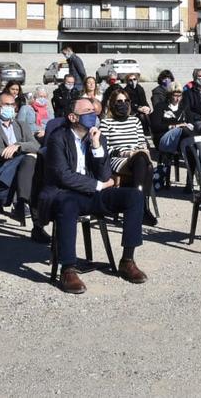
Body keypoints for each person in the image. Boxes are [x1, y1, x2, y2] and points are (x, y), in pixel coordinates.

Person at [39, 98, 148, 293]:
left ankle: (127, 260)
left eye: (94, 111)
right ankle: (68, 269)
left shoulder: (98, 137)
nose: (94, 115)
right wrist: (99, 185)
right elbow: (64, 177)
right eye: (88, 111)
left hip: (93, 193)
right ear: (73, 117)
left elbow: (105, 175)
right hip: (66, 194)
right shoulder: (58, 138)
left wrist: (97, 146)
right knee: (67, 203)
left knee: (134, 197)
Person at [0, 90, 48, 243]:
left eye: (12, 104)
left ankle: (22, 200)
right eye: (6, 104)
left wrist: (18, 146)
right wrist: (13, 151)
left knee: (30, 160)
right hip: (0, 169)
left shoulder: (21, 125)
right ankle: (36, 224)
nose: (10, 107)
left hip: (23, 169)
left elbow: (35, 145)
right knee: (31, 163)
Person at [99, 88, 158, 226]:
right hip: (118, 159)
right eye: (119, 101)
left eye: (126, 101)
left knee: (144, 161)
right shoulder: (106, 123)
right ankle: (141, 209)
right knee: (144, 163)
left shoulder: (135, 121)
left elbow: (142, 141)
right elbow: (105, 148)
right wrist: (125, 153)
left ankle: (138, 208)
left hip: (138, 157)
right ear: (112, 104)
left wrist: (143, 150)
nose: (123, 104)